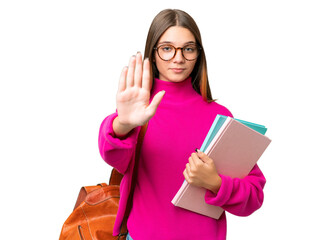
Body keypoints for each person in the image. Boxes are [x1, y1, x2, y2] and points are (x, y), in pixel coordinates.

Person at [98, 9, 266, 240]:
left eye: (188, 48)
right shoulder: (139, 111)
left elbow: (253, 197)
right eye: (167, 48)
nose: (178, 58)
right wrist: (121, 124)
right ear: (153, 53)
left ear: (198, 54)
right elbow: (112, 156)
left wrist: (215, 183)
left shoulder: (219, 117)